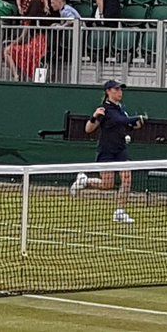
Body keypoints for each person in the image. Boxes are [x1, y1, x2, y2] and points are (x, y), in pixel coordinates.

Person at [70, 80, 145, 224]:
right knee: (107, 185)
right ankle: (84, 181)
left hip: (120, 150)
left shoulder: (122, 110)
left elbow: (126, 124)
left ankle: (120, 212)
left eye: (120, 89)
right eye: (116, 89)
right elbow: (88, 129)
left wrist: (136, 123)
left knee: (127, 179)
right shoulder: (104, 110)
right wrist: (94, 116)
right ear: (108, 91)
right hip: (106, 151)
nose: (119, 92)